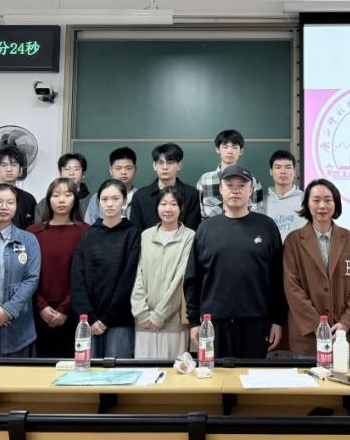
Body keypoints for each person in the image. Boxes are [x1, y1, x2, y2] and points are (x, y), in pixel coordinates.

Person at [185, 165, 285, 359]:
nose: (235, 190)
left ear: (251, 189)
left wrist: (277, 320)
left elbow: (278, 278)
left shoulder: (267, 227)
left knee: (253, 377)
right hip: (213, 324)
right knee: (215, 376)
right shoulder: (205, 229)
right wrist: (194, 322)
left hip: (257, 323)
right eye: (229, 185)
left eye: (241, 185)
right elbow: (192, 279)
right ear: (221, 190)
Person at [283, 179, 350, 356]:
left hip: (342, 335)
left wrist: (346, 323)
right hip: (306, 337)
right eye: (316, 200)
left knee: (342, 373)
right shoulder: (293, 241)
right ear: (307, 204)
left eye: (328, 200)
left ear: (336, 204)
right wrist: (318, 325)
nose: (322, 206)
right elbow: (292, 288)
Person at [71, 179, 141, 358]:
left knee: (118, 371)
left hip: (120, 319)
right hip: (88, 320)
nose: (109, 204)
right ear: (98, 202)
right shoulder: (88, 234)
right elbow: (77, 278)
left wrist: (106, 318)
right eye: (104, 199)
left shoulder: (133, 233)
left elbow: (129, 278)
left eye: (115, 199)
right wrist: (89, 317)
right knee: (88, 371)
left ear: (124, 201)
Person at [131, 186, 196, 358]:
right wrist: (141, 312)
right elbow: (137, 275)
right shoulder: (145, 236)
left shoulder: (190, 237)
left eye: (173, 204)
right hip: (144, 321)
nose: (168, 209)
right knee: (144, 371)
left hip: (174, 322)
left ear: (181, 208)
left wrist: (160, 315)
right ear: (157, 207)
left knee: (174, 371)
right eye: (163, 204)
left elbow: (181, 279)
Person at [27, 178, 89, 357]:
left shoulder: (86, 232)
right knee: (40, 366)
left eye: (67, 195)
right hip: (38, 310)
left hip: (74, 309)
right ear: (48, 199)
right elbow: (26, 274)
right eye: (56, 195)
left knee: (73, 364)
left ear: (75, 199)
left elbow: (85, 275)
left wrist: (65, 308)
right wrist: (41, 305)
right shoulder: (33, 232)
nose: (62, 200)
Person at [0, 184, 41, 357]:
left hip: (19, 326)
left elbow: (31, 278)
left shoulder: (28, 240)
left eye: (10, 202)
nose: (4, 207)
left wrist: (8, 311)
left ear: (16, 206)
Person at [129, 143, 201, 233]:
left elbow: (192, 229)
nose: (165, 167)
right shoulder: (140, 196)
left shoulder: (191, 194)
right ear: (154, 165)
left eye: (170, 163)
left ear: (179, 166)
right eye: (160, 163)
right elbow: (136, 230)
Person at [195, 129, 263, 220]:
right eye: (225, 147)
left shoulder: (252, 181)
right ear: (217, 149)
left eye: (234, 147)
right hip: (212, 228)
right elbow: (198, 214)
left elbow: (258, 216)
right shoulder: (205, 180)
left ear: (241, 151)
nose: (230, 151)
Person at [84, 147, 139, 224]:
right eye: (118, 168)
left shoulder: (141, 197)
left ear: (135, 170)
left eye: (128, 168)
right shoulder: (97, 198)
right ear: (110, 170)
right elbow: (89, 226)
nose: (123, 172)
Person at [260, 149, 306, 241]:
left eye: (288, 167)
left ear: (294, 171)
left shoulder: (306, 200)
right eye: (278, 167)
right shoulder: (261, 203)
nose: (283, 171)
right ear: (271, 172)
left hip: (299, 250)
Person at [36, 153, 91, 223]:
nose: (71, 173)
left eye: (76, 169)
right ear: (60, 173)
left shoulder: (93, 201)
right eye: (67, 169)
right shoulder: (46, 202)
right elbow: (39, 227)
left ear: (83, 174)